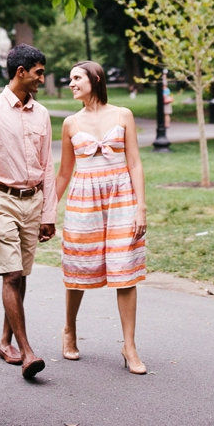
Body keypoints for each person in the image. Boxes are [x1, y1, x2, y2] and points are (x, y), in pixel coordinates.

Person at [0, 44, 56, 380]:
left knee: (21, 274)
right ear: (20, 72)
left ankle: (5, 341)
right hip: (1, 201)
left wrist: (48, 212)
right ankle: (27, 352)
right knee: (12, 274)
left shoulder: (42, 114)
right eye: (38, 72)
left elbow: (48, 165)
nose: (42, 79)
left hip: (32, 202)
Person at [56, 61, 147, 374]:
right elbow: (64, 172)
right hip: (84, 200)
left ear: (95, 79)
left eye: (76, 78)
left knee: (125, 268)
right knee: (78, 264)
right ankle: (69, 331)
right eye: (70, 79)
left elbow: (134, 163)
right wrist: (46, 211)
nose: (71, 83)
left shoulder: (123, 115)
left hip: (121, 198)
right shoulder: (70, 123)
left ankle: (129, 346)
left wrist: (141, 207)